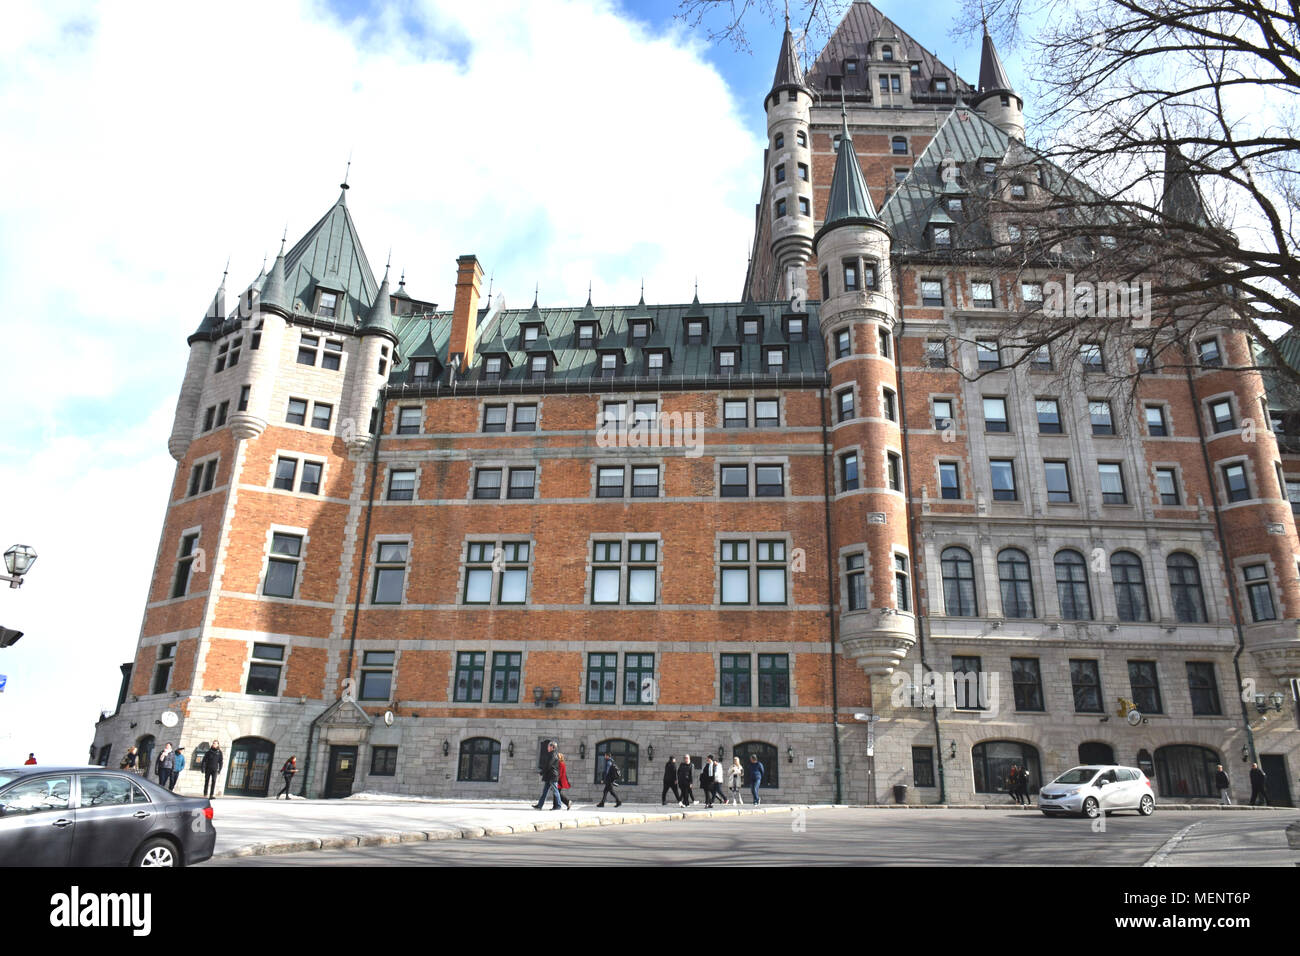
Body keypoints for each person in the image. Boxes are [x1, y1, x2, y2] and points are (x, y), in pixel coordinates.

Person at [534, 741, 562, 810]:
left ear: (552, 747)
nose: (547, 747)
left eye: (549, 746)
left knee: (555, 791)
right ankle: (540, 805)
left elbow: (549, 765)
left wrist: (542, 772)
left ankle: (558, 805)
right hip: (549, 776)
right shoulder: (551, 754)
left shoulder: (553, 755)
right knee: (545, 791)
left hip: (552, 776)